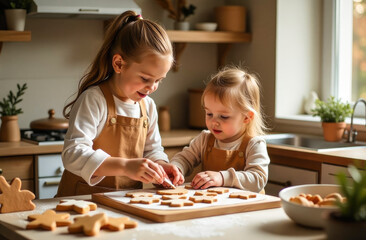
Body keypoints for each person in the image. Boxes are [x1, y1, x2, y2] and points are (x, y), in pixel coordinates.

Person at [56, 11, 183, 197]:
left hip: (124, 201)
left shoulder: (147, 106)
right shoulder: (94, 99)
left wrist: (161, 166)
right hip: (81, 201)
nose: (153, 87)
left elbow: (152, 150)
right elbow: (72, 154)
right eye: (146, 78)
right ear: (118, 64)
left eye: (159, 80)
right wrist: (125, 166)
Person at [162, 66, 270, 192]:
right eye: (209, 114)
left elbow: (258, 179)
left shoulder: (253, 144)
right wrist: (176, 168)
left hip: (247, 208)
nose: (214, 122)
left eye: (223, 116)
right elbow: (184, 158)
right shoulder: (204, 139)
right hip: (215, 207)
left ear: (246, 117)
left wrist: (223, 178)